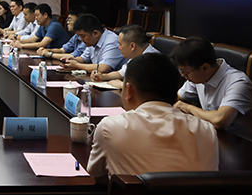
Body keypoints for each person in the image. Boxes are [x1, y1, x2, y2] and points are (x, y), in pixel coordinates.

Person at [87, 52, 219, 182]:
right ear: (176, 97)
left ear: (129, 91)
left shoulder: (110, 127)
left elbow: (97, 175)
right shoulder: (206, 130)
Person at [172, 36, 252, 147]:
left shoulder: (238, 83)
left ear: (205, 68)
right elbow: (177, 98)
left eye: (185, 72)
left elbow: (219, 120)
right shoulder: (199, 77)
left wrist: (188, 108)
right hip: (226, 142)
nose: (184, 76)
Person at [91, 24, 160, 89]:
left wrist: (123, 85)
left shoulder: (152, 61)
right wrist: (103, 76)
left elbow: (148, 89)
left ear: (132, 46)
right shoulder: (136, 54)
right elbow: (120, 74)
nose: (119, 47)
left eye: (120, 44)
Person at [60, 13, 127, 73]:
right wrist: (71, 60)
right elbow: (83, 59)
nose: (81, 39)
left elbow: (103, 68)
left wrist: (76, 65)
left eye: (83, 36)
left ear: (95, 33)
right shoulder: (92, 42)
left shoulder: (112, 41)